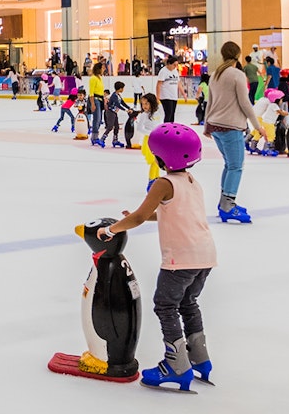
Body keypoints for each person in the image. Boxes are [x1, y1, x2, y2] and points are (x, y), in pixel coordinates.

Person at [99, 123, 217, 392]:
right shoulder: (191, 182)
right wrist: (133, 217)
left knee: (165, 306)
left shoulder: (163, 183)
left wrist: (111, 229)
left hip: (181, 259)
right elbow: (170, 213)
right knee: (188, 303)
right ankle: (200, 357)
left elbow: (140, 217)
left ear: (161, 156)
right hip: (205, 256)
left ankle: (176, 365)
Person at [205, 42, 259, 224]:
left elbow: (209, 102)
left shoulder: (215, 75)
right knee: (236, 166)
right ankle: (228, 205)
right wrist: (257, 126)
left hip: (216, 126)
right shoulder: (237, 74)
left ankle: (224, 203)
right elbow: (245, 103)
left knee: (229, 164)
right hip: (231, 126)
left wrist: (207, 125)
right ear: (238, 54)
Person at [251, 88, 287, 156]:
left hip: (265, 121)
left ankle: (254, 146)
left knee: (260, 134)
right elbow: (281, 113)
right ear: (276, 99)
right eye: (281, 99)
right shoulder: (274, 105)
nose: (282, 101)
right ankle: (267, 149)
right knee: (271, 136)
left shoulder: (271, 105)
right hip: (269, 123)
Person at [100, 82, 131, 148]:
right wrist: (126, 110)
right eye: (123, 88)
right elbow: (118, 104)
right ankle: (102, 139)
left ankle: (115, 140)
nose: (123, 89)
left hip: (114, 113)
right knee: (110, 127)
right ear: (120, 88)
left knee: (116, 127)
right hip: (110, 112)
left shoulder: (118, 95)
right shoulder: (114, 95)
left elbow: (122, 103)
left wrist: (129, 108)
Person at [156, 56, 181, 124]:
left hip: (174, 96)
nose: (175, 66)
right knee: (168, 114)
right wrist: (158, 96)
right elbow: (159, 84)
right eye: (174, 65)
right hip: (165, 96)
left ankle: (171, 129)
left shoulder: (175, 71)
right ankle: (165, 129)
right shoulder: (163, 71)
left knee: (172, 114)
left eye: (176, 65)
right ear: (169, 64)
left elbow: (178, 82)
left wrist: (183, 94)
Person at [87, 62, 105, 145]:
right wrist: (92, 104)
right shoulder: (93, 78)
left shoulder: (99, 78)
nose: (104, 69)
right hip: (95, 100)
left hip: (100, 100)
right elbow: (91, 92)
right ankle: (94, 137)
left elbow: (101, 91)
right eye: (102, 68)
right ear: (99, 68)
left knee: (99, 119)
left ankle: (95, 136)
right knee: (96, 119)